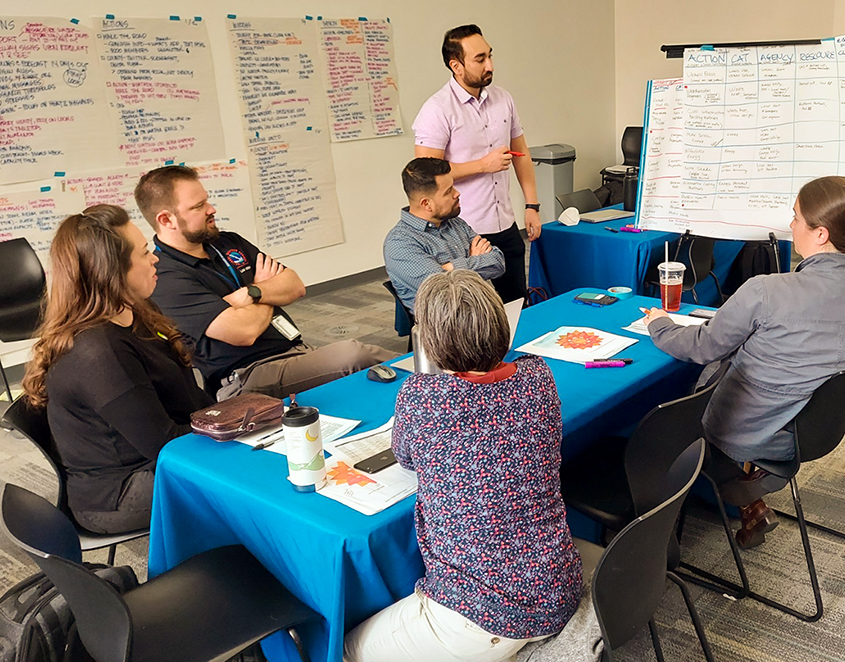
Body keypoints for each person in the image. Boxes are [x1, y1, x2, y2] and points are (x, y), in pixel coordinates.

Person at [643, 176, 845, 548]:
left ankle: (664, 535)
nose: (791, 226)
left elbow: (703, 347)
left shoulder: (768, 292)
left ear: (820, 235)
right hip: (820, 429)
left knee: (659, 421)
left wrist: (660, 325)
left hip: (755, 430)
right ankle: (750, 499)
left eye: (796, 218)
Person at [344, 270, 582, 662]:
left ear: (431, 342)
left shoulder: (422, 396)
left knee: (346, 653)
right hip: (556, 582)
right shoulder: (539, 376)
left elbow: (404, 456)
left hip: (485, 612)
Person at [20, 205, 213, 534]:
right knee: (247, 482)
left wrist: (235, 417)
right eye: (144, 253)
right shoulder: (99, 352)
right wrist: (233, 430)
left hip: (158, 458)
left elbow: (185, 398)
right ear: (112, 271)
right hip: (119, 493)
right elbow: (165, 445)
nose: (155, 259)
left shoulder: (136, 310)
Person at [134, 165, 395, 400]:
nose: (211, 209)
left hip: (296, 351)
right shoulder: (165, 277)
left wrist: (252, 292)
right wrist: (267, 290)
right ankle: (430, 381)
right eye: (198, 206)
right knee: (355, 355)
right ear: (166, 220)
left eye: (207, 201)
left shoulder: (227, 242)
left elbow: (295, 285)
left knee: (368, 384)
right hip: (247, 376)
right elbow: (244, 332)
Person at [412, 24, 541, 304]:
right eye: (480, 59)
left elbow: (522, 155)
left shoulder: (503, 99)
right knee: (469, 315)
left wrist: (532, 205)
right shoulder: (437, 110)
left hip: (506, 225)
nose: (490, 65)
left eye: (490, 56)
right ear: (456, 66)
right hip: (462, 231)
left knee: (517, 306)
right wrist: (483, 165)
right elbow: (425, 175)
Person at [384, 157, 505, 310]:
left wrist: (449, 268)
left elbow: (497, 262)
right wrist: (474, 260)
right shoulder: (400, 243)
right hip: (443, 328)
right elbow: (442, 288)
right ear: (426, 204)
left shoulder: (455, 223)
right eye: (448, 191)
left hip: (483, 312)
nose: (457, 193)